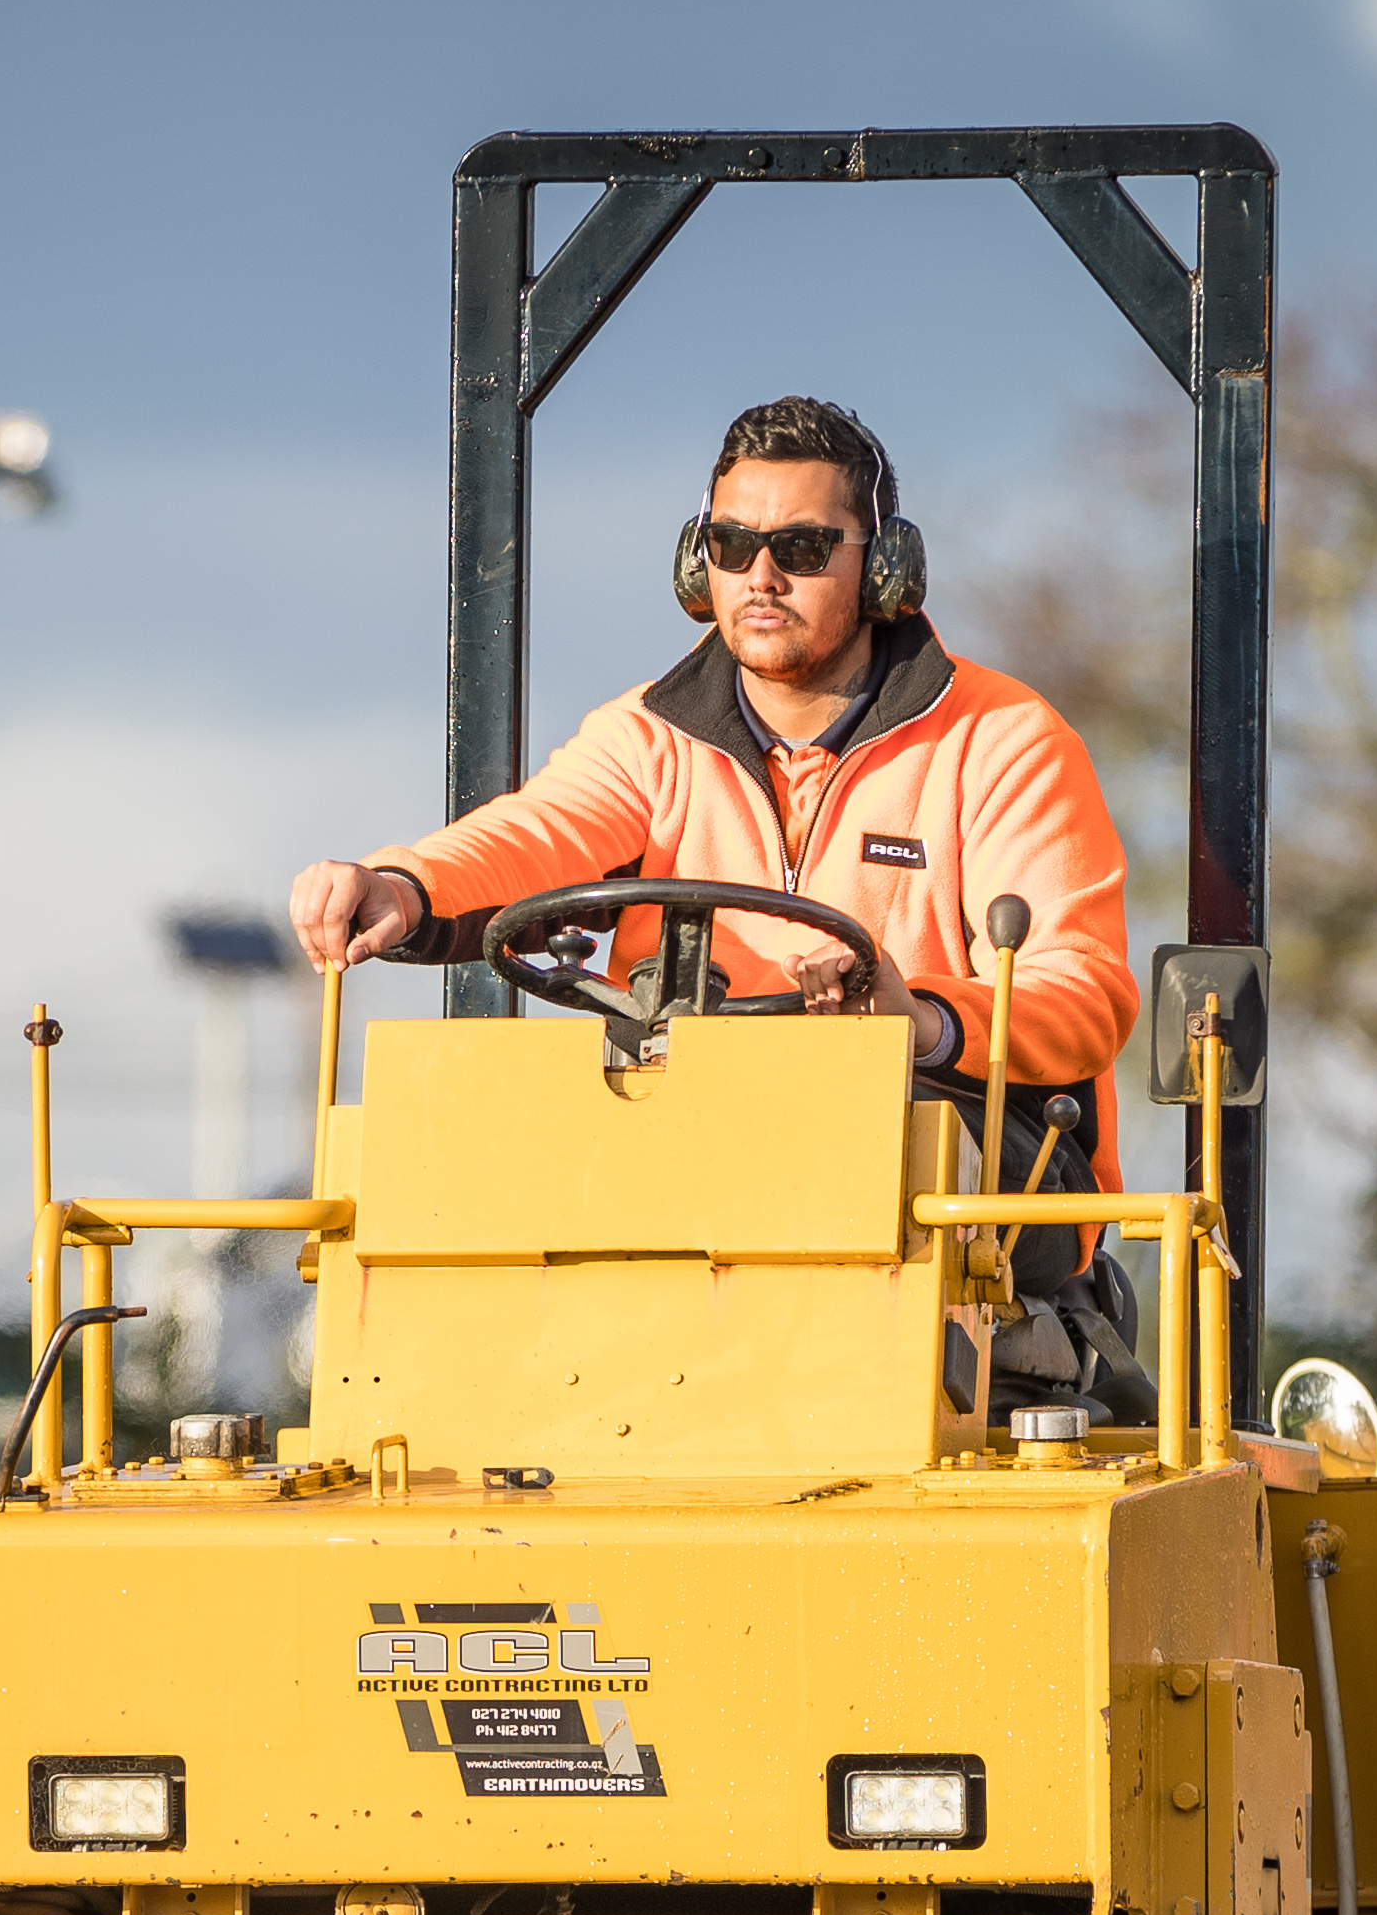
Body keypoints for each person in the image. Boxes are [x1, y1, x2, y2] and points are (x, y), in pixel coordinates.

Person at [284, 395, 1147, 1398]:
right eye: (732, 543)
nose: (762, 574)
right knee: (477, 1124)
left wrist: (915, 1018)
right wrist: (403, 882)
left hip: (946, 1169)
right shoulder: (648, 740)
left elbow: (1081, 991)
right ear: (701, 564)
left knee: (851, 1131)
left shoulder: (999, 742)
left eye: (803, 546)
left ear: (884, 568)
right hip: (687, 1159)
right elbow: (534, 836)